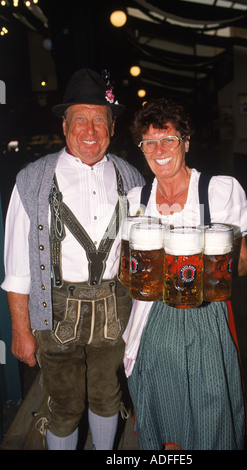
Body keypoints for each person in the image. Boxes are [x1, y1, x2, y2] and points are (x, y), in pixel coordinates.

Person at [1, 68, 145, 450]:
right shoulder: (31, 180)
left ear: (112, 127)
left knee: (107, 394)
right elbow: (16, 269)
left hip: (115, 309)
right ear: (64, 126)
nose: (90, 130)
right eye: (80, 119)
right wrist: (21, 330)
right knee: (64, 404)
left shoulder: (132, 179)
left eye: (100, 119)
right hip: (56, 311)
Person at [123, 98, 247, 450]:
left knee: (210, 422)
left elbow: (243, 265)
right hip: (150, 320)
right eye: (149, 142)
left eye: (169, 139)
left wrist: (218, 265)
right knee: (165, 426)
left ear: (187, 142)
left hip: (205, 319)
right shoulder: (137, 197)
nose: (159, 149)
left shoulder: (219, 190)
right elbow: (125, 267)